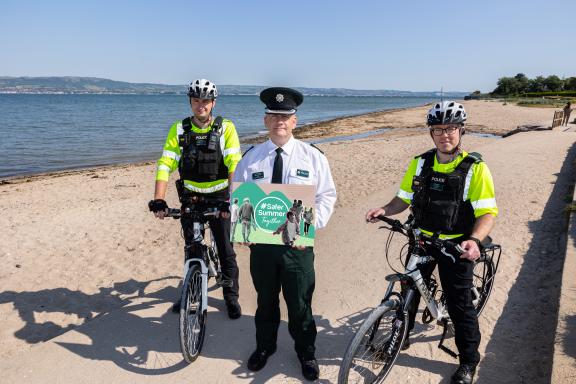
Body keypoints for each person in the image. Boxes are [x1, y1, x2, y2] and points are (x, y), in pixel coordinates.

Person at [366, 101, 498, 384]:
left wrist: (474, 240)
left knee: (459, 304)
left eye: (450, 128)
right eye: (438, 129)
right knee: (409, 287)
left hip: (456, 246)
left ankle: (468, 362)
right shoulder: (420, 162)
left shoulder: (475, 169)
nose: (444, 135)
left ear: (461, 131)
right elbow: (403, 198)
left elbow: (487, 212)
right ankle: (401, 337)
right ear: (431, 133)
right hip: (422, 240)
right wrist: (384, 210)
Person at [233, 87, 337, 381]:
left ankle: (306, 352)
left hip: (297, 248)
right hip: (263, 247)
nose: (280, 120)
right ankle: (265, 347)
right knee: (265, 300)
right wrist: (242, 229)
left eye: (286, 115)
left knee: (300, 302)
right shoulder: (251, 158)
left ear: (295, 121)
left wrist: (310, 227)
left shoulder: (312, 157)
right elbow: (239, 195)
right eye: (274, 115)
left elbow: (327, 196)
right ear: (266, 120)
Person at [148, 78, 242, 319]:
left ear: (213, 103)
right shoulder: (179, 129)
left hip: (221, 196)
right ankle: (191, 292)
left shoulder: (226, 128)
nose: (202, 105)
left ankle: (231, 297)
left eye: (206, 100)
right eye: (197, 100)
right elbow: (165, 163)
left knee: (225, 249)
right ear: (190, 102)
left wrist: (233, 199)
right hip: (192, 198)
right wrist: (158, 199)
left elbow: (234, 164)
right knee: (192, 249)